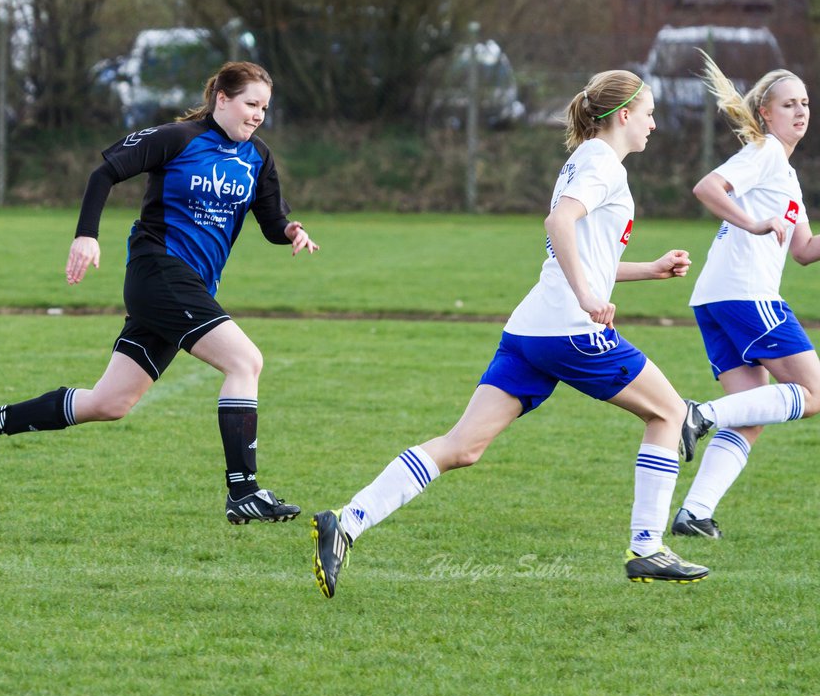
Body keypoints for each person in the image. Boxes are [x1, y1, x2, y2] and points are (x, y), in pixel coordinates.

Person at [311, 70, 710, 599]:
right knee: (670, 413)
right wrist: (590, 300)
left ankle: (347, 521)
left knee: (462, 447)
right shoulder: (601, 164)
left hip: (531, 329)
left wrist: (648, 269)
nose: (655, 124)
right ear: (622, 116)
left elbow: (581, 254)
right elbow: (558, 225)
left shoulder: (583, 161)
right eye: (650, 113)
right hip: (569, 329)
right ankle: (647, 547)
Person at [0, 61, 319, 525]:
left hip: (187, 288)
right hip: (158, 272)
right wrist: (86, 234)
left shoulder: (257, 157)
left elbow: (269, 220)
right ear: (221, 98)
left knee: (109, 403)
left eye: (264, 107)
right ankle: (243, 490)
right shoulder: (177, 138)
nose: (258, 114)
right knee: (246, 361)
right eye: (250, 104)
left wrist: (291, 230)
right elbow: (104, 174)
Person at [670, 53, 820, 539]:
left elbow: (803, 250)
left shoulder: (786, 172)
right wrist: (755, 222)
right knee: (816, 394)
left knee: (752, 412)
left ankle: (694, 513)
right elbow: (708, 187)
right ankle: (699, 414)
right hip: (745, 295)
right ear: (765, 115)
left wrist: (768, 224)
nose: (800, 111)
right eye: (788, 104)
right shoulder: (766, 153)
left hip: (718, 296)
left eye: (805, 103)